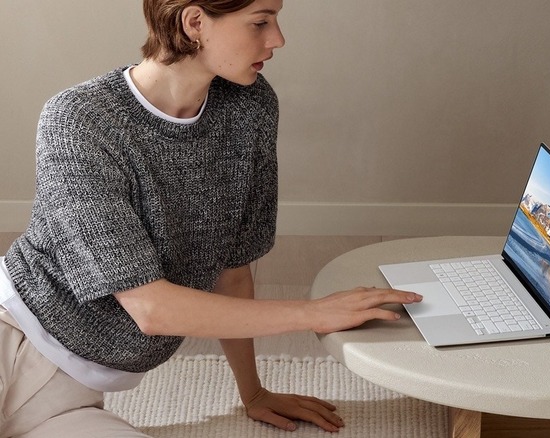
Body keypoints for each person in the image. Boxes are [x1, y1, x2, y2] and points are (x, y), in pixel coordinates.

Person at [0, 0, 422, 436]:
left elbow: (232, 269)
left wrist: (254, 393)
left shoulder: (250, 107)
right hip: (11, 334)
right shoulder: (80, 121)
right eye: (260, 21)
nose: (277, 39)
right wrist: (314, 313)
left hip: (70, 402)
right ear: (195, 22)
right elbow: (151, 308)